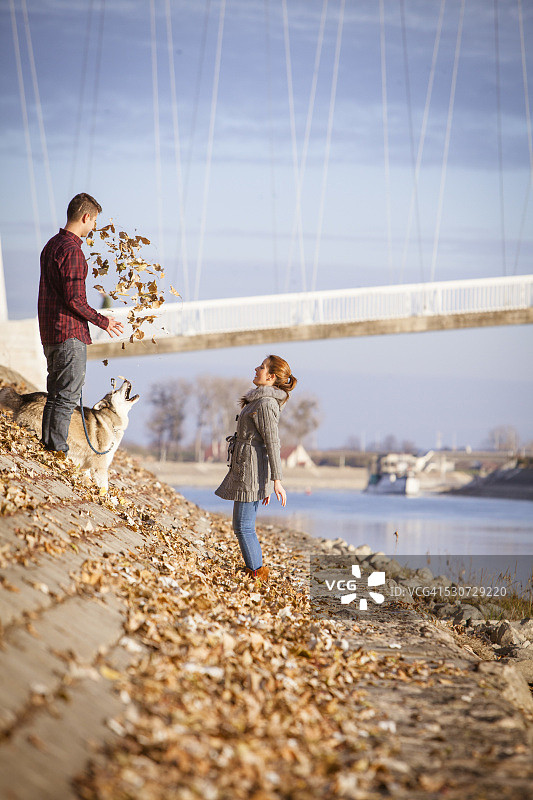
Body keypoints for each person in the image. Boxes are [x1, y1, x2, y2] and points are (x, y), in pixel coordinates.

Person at [37, 192, 124, 455]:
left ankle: (49, 447)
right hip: (69, 334)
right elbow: (75, 299)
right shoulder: (72, 251)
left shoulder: (51, 245)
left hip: (51, 333)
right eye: (95, 221)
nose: (95, 226)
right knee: (66, 397)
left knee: (55, 395)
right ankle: (57, 451)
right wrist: (102, 321)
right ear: (86, 217)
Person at [215, 355, 297, 581]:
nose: (256, 369)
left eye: (261, 367)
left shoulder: (266, 404)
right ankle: (254, 570)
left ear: (271, 377)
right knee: (241, 525)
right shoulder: (257, 401)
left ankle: (257, 574)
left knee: (243, 526)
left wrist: (276, 481)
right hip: (247, 466)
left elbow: (272, 442)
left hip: (250, 469)